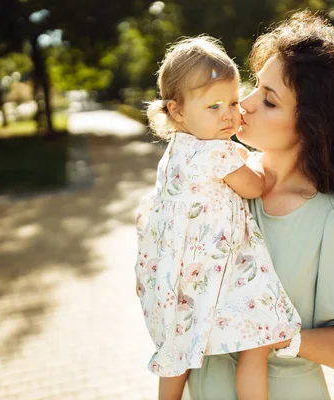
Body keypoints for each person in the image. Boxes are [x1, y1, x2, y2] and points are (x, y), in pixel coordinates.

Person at [185, 11, 334, 400]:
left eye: (269, 101)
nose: (245, 104)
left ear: (311, 126)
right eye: (254, 86)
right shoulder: (219, 179)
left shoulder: (331, 219)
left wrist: (273, 335)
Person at [134, 36, 302, 400]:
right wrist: (264, 165)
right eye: (213, 106)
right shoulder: (218, 153)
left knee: (176, 348)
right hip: (214, 268)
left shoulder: (176, 149)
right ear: (177, 111)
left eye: (232, 101)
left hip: (175, 272)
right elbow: (254, 187)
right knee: (257, 341)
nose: (229, 114)